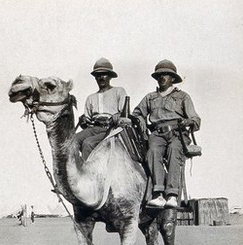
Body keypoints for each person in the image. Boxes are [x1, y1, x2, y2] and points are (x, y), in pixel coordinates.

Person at [132, 59, 201, 208]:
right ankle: (158, 194)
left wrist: (188, 122)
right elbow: (136, 113)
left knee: (174, 150)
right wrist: (141, 120)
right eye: (159, 75)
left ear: (172, 79)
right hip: (157, 133)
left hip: (177, 133)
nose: (162, 77)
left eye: (166, 75)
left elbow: (196, 119)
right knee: (153, 152)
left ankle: (172, 195)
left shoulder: (183, 96)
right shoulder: (150, 97)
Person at [76, 57, 127, 160]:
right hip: (93, 128)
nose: (101, 78)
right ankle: (75, 172)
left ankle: (88, 175)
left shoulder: (119, 91)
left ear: (109, 76)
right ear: (95, 78)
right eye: (98, 75)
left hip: (110, 129)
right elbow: (86, 121)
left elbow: (124, 114)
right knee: (71, 141)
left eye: (104, 74)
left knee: (88, 143)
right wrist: (83, 121)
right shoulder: (91, 98)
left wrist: (118, 116)